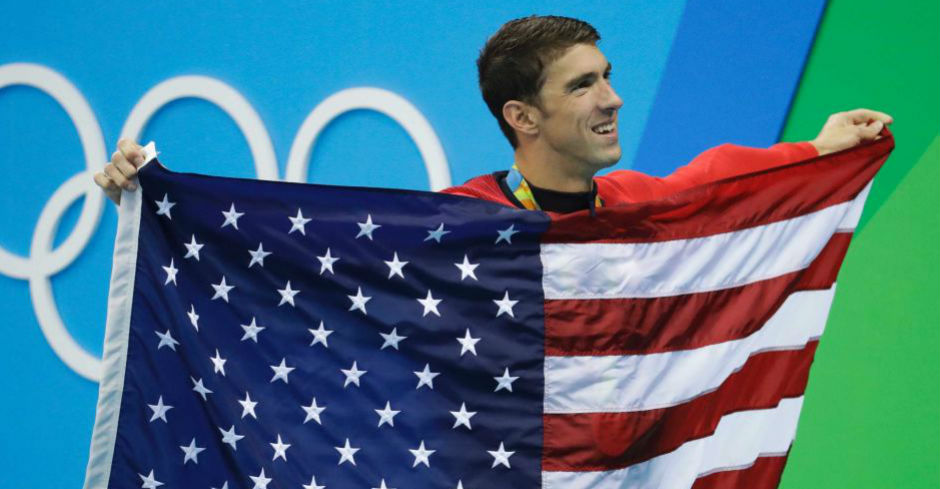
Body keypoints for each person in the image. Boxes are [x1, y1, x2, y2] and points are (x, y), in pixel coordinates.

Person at [93, 15, 892, 213]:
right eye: (582, 86)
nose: (612, 98)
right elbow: (283, 248)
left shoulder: (639, 210)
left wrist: (820, 148)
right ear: (523, 116)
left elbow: (715, 179)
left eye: (607, 77)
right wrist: (153, 197)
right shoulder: (461, 225)